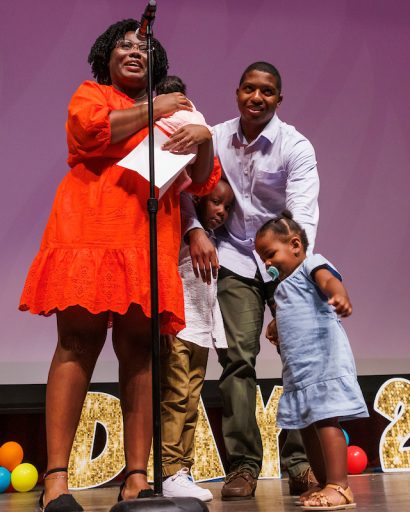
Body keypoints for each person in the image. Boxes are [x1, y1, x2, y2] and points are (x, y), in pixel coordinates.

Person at [18, 18, 217, 512]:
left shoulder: (179, 111)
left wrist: (203, 135)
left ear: (157, 63)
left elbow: (203, 180)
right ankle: (58, 480)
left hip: (146, 241)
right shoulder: (93, 94)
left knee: (140, 354)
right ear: (105, 57)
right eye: (123, 45)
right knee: (77, 344)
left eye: (143, 47)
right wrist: (159, 106)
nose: (134, 51)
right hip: (86, 233)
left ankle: (135, 478)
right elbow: (89, 132)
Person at [183, 61, 320, 500]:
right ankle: (243, 465)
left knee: (297, 358)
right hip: (234, 259)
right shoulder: (217, 137)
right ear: (237, 91)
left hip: (282, 264)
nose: (256, 98)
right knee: (237, 360)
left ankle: (299, 463)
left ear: (279, 99)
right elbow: (186, 188)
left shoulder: (295, 146)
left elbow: (302, 219)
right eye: (249, 89)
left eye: (266, 92)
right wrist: (196, 230)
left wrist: (289, 281)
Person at [255, 210, 368, 509]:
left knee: (326, 419)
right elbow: (293, 312)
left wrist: (339, 294)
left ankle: (339, 486)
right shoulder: (281, 288)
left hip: (323, 362)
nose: (266, 263)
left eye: (270, 254)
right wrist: (276, 326)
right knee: (306, 424)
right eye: (262, 257)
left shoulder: (311, 264)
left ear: (295, 245)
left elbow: (328, 281)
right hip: (299, 371)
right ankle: (322, 482)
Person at [160, 179, 234, 502]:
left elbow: (210, 295)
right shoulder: (182, 238)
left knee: (191, 402)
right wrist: (164, 323)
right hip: (178, 328)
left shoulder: (213, 243)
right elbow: (169, 277)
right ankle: (167, 468)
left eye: (228, 207)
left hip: (200, 333)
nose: (222, 211)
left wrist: (216, 334)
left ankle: (182, 470)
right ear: (199, 199)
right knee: (175, 398)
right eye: (216, 202)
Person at [155, 75, 213, 194]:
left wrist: (204, 132)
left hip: (171, 142)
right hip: (187, 150)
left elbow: (202, 130)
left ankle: (183, 177)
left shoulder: (155, 103)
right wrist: (206, 131)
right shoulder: (190, 107)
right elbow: (199, 121)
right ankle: (183, 176)